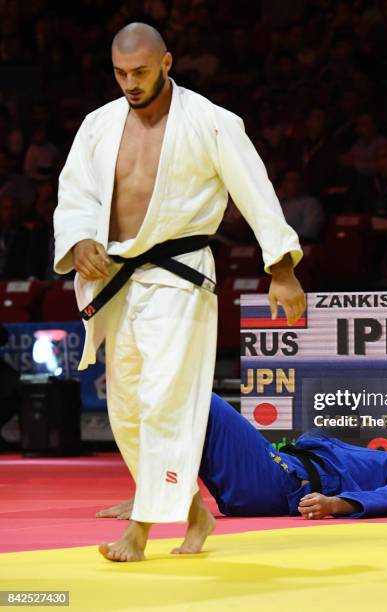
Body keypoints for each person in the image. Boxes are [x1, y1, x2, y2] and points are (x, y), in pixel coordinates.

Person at [53, 23, 305, 563]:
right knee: (126, 407)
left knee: (163, 396)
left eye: (140, 72)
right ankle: (195, 512)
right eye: (120, 74)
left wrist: (281, 268)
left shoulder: (210, 122)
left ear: (166, 62)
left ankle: (141, 529)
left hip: (179, 275)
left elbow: (255, 192)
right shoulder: (98, 126)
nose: (130, 84)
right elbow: (73, 194)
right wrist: (78, 242)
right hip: (116, 279)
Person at [97, 394, 387, 555]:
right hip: (276, 471)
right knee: (182, 408)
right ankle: (156, 491)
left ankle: (160, 496)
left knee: (198, 400)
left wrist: (336, 505)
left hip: (277, 482)